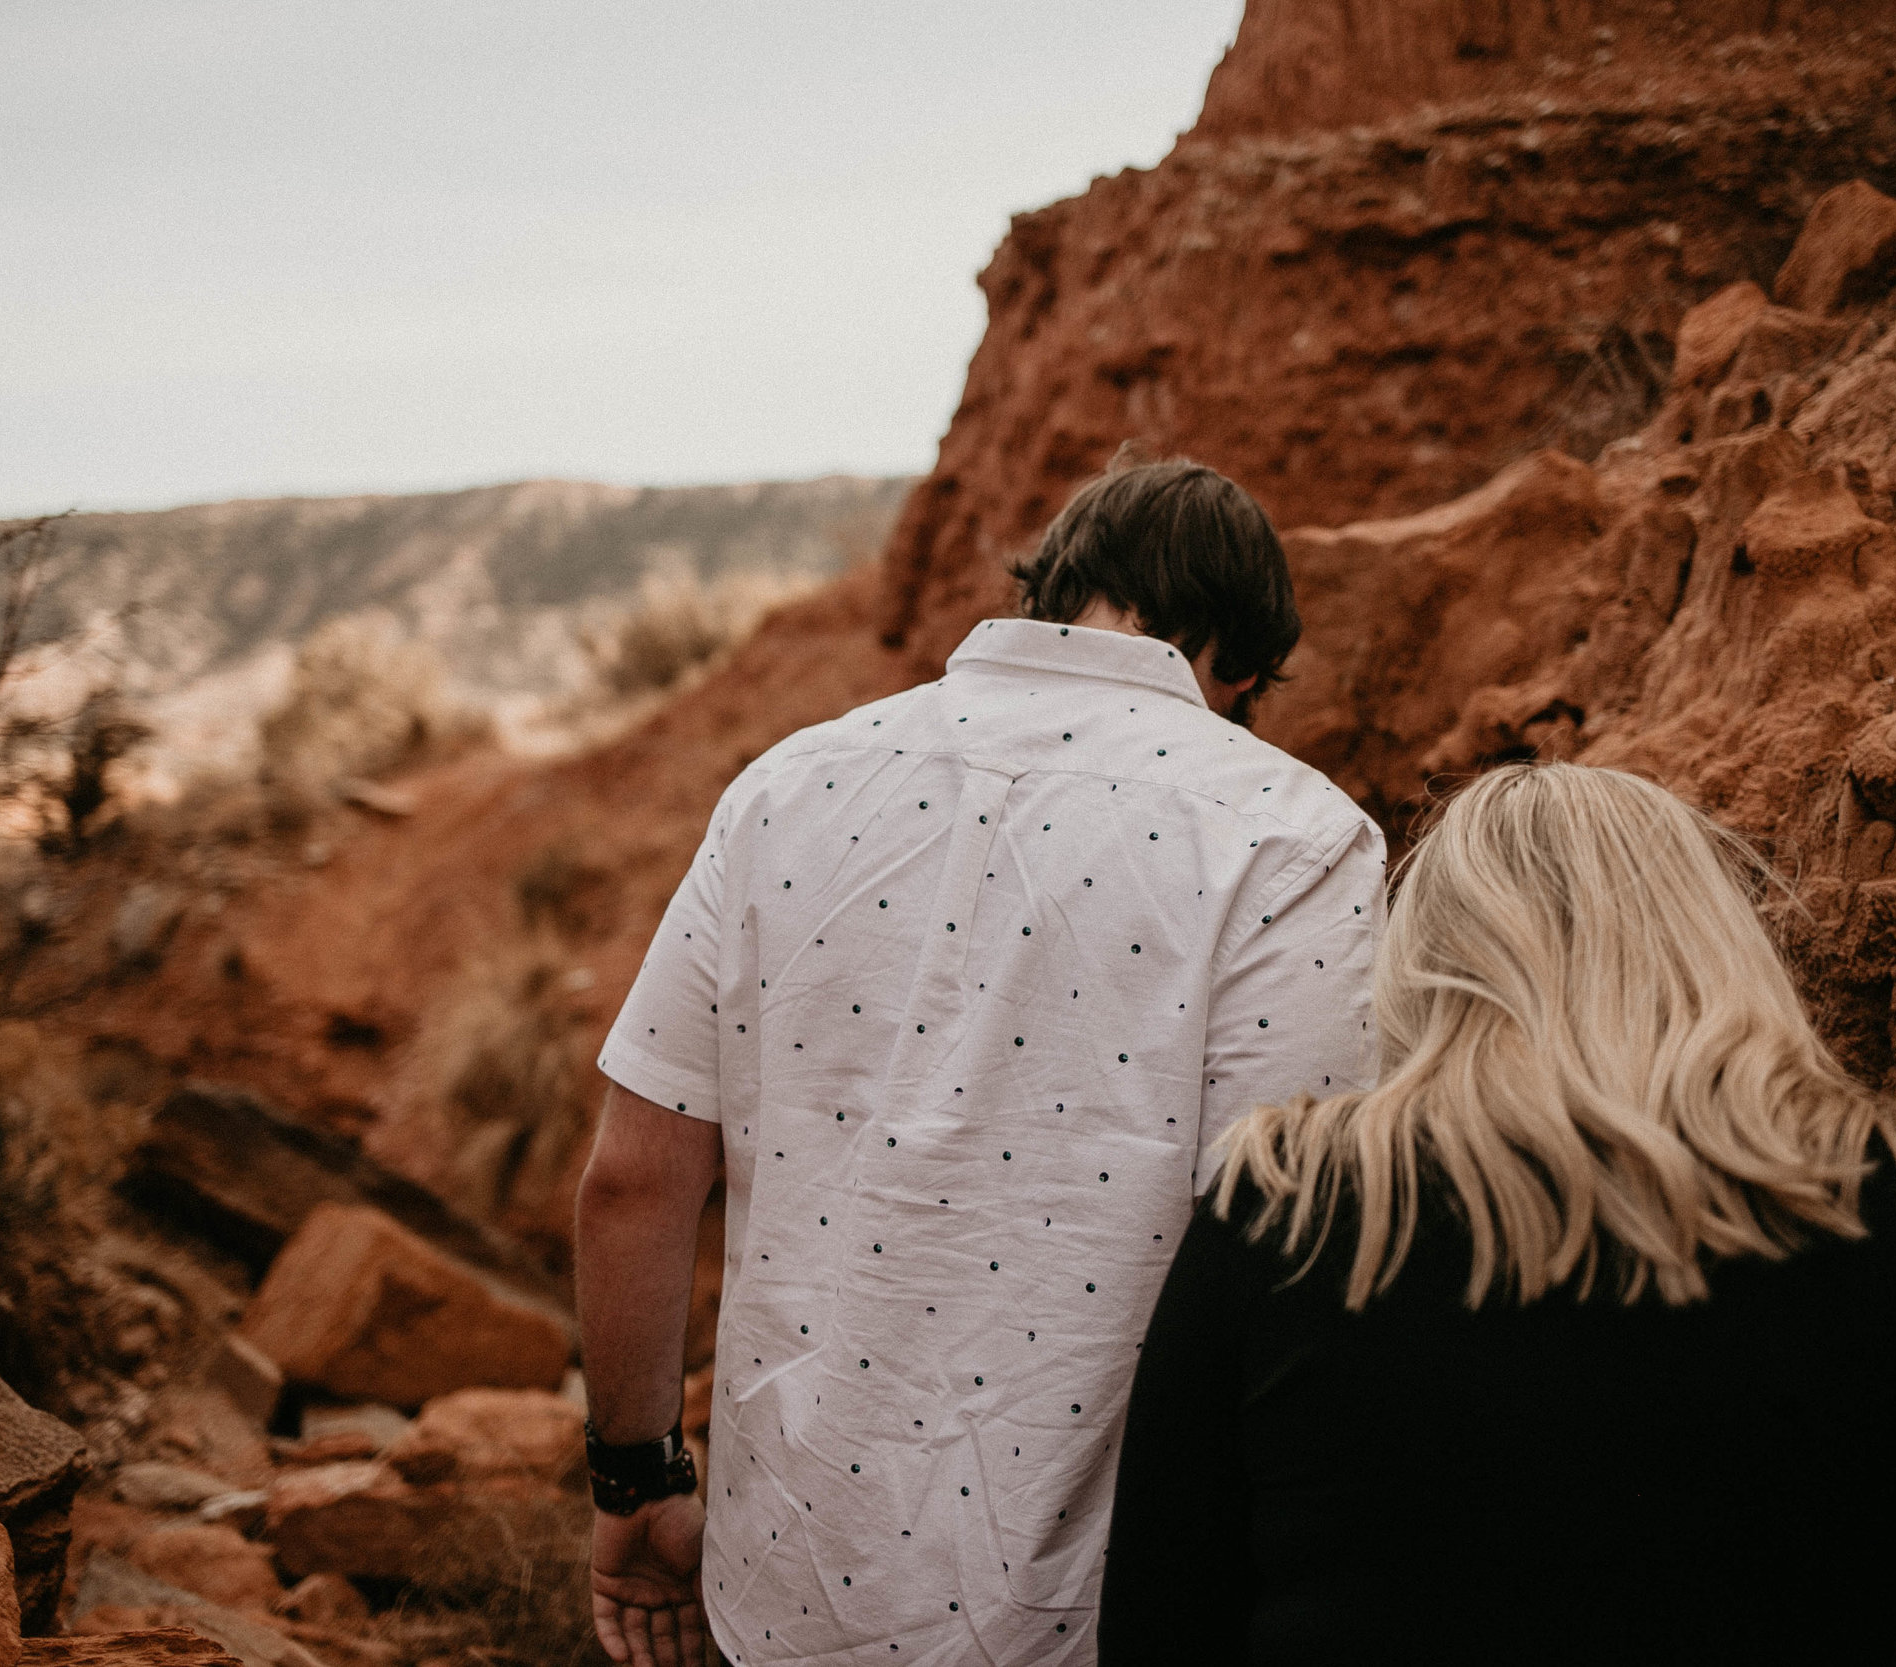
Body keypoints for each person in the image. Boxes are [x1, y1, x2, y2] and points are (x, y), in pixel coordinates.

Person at [1102, 762, 1896, 1666]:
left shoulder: (1280, 1205)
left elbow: (1160, 1626)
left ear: (1423, 970)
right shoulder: (1890, 1212)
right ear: (1712, 944)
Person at [573, 455, 1388, 1667]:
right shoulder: (1294, 836)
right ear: (1243, 665)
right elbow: (1290, 1245)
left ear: (1052, 591)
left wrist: (636, 1483)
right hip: (1096, 1602)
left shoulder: (784, 787)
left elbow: (634, 1178)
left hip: (787, 1582)